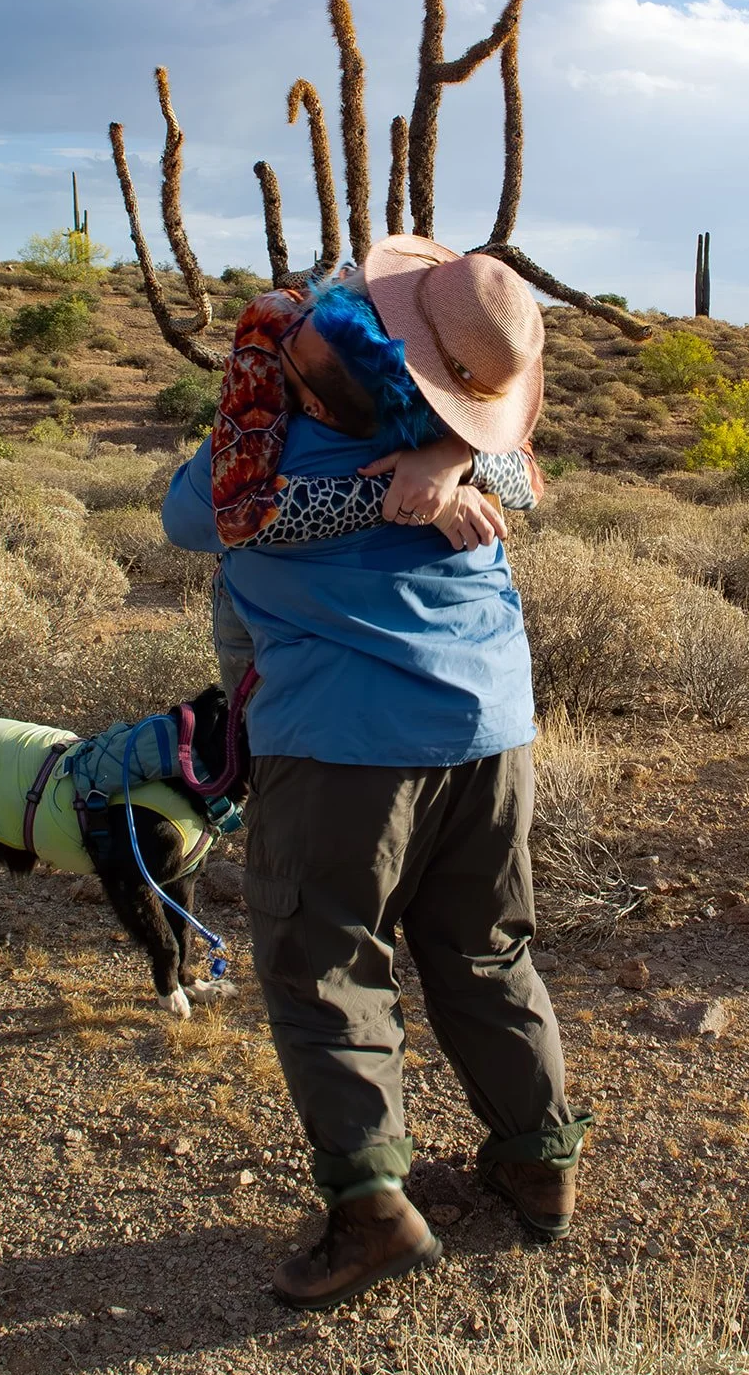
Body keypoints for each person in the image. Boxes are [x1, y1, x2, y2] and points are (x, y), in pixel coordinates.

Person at [162, 236, 590, 1311]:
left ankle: (370, 1210)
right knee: (485, 949)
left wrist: (401, 471)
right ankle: (538, 1166)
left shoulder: (261, 467)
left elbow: (187, 517)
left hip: (344, 746)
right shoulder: (484, 471)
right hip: (491, 731)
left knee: (326, 965)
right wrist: (447, 460)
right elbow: (524, 472)